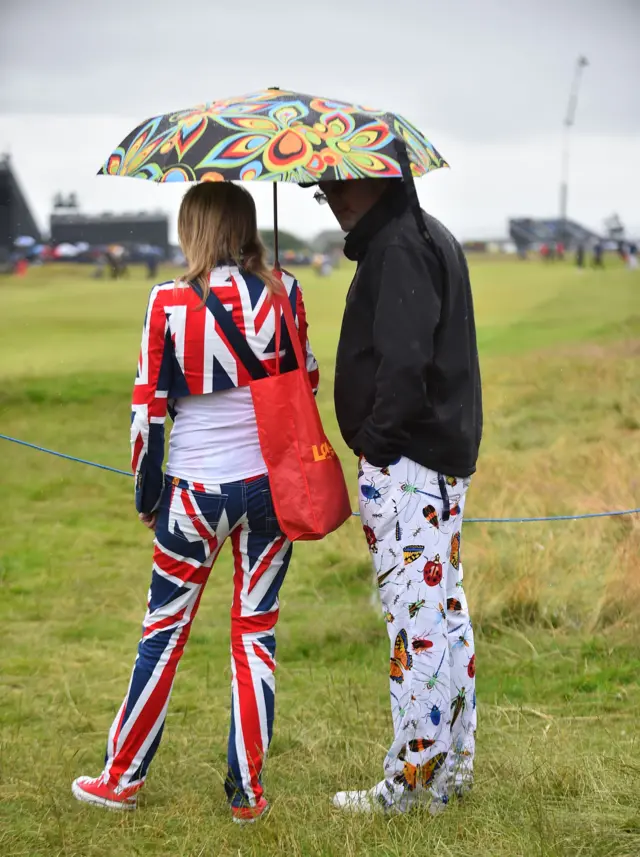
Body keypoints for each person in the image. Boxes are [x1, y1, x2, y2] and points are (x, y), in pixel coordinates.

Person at [71, 182, 319, 822]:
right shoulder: (285, 290)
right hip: (269, 489)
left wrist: (147, 494)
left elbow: (147, 411)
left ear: (194, 229)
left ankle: (121, 778)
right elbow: (307, 380)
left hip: (193, 492)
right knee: (256, 634)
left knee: (164, 632)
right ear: (245, 224)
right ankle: (248, 793)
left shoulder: (168, 301)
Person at [314, 177, 482, 814]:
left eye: (339, 187)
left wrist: (376, 447)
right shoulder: (422, 234)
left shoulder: (400, 246)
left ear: (375, 180)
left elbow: (405, 366)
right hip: (430, 459)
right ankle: (450, 771)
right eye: (323, 193)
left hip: (412, 462)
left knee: (417, 625)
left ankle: (413, 785)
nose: (333, 201)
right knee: (444, 616)